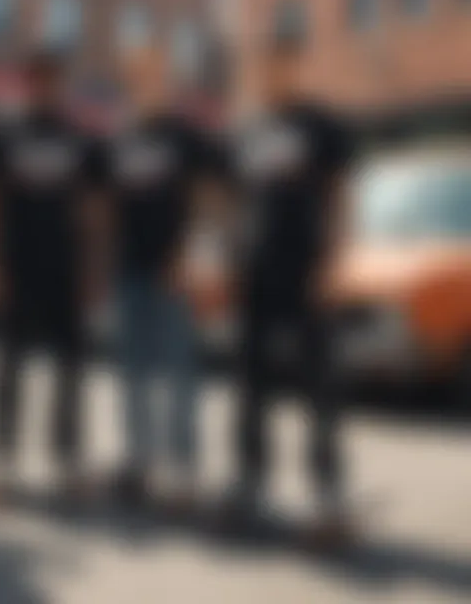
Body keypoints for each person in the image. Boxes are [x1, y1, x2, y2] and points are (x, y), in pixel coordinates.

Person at [225, 41, 354, 544]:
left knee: (319, 386)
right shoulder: (248, 130)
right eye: (264, 66)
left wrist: (332, 264)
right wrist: (231, 256)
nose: (271, 74)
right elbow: (240, 202)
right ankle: (251, 482)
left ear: (296, 66)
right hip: (256, 275)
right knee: (250, 383)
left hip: (306, 273)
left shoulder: (323, 125)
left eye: (281, 64)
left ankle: (327, 491)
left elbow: (342, 197)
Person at [0, 49, 107, 500]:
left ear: (62, 84)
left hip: (66, 270)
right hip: (14, 268)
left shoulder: (81, 138)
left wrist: (93, 270)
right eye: (36, 78)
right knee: (8, 368)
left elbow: (92, 209)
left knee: (70, 370)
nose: (45, 86)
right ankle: (1, 463)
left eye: (53, 79)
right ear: (25, 82)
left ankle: (67, 460)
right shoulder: (3, 134)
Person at [109, 46, 217, 509]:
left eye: (155, 73)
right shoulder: (121, 138)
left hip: (173, 274)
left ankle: (184, 471)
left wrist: (193, 253)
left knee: (178, 375)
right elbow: (105, 209)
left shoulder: (186, 136)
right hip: (129, 273)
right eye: (139, 75)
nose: (147, 81)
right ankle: (139, 462)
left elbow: (212, 196)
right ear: (131, 81)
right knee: (133, 375)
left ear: (166, 78)